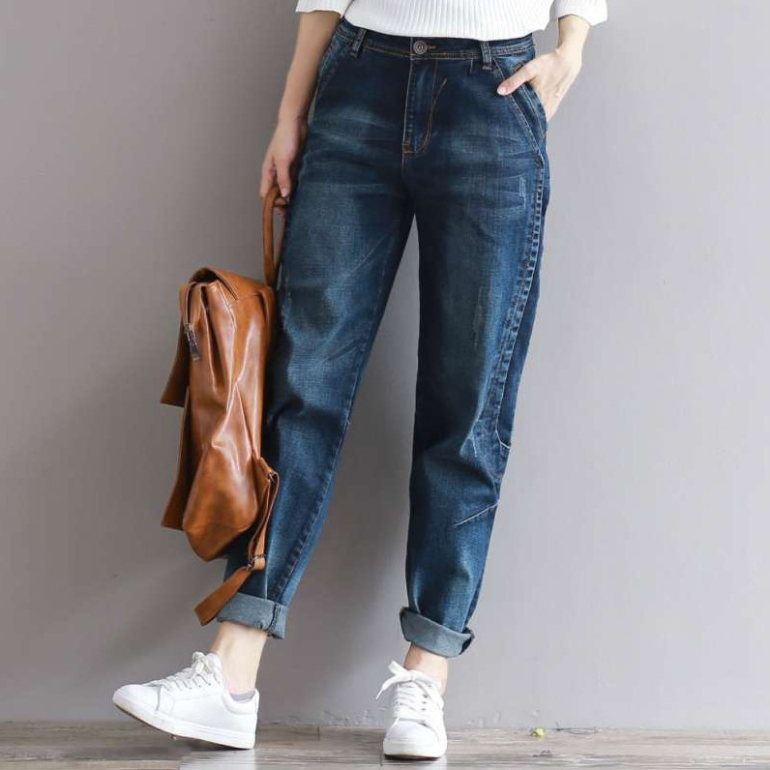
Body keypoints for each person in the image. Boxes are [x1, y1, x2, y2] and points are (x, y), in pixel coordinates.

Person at [113, 0, 607, 757]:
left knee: (468, 402)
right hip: (358, 80)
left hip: (495, 90)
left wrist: (571, 44)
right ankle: (232, 672)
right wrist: (291, 112)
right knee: (302, 385)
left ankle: (427, 672)